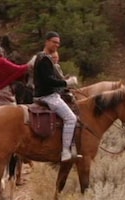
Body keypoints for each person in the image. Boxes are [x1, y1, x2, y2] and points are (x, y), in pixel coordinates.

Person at [32, 31, 79, 161]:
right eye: (54, 42)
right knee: (71, 119)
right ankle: (65, 151)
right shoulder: (45, 59)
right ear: (47, 42)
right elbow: (48, 80)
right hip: (48, 96)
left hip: (43, 94)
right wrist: (66, 82)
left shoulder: (41, 57)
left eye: (58, 43)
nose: (56, 45)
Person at [0, 43, 33, 110]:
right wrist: (31, 62)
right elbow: (17, 69)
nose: (3, 53)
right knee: (12, 116)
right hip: (1, 95)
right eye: (1, 51)